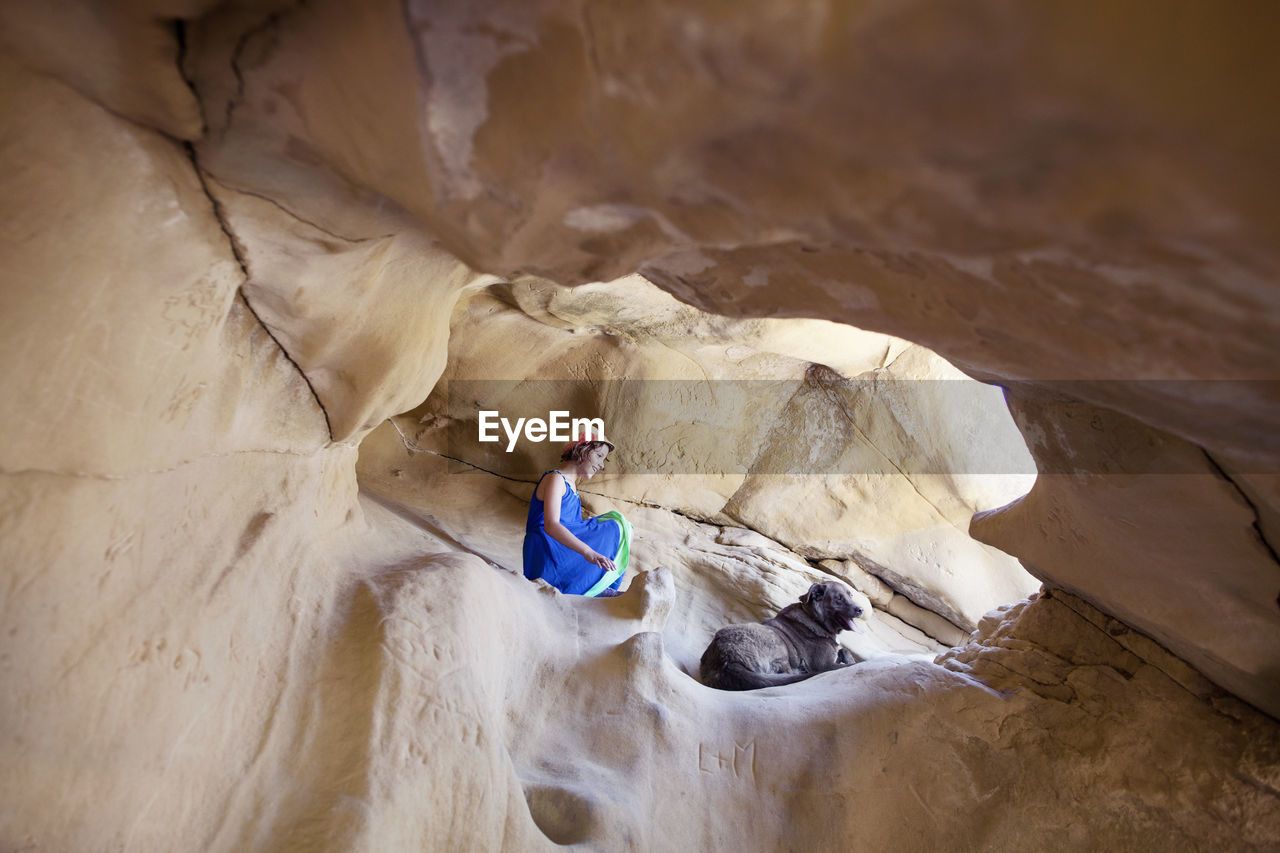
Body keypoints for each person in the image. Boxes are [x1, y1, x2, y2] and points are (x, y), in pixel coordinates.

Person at [522, 431, 632, 597]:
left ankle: (600, 585)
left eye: (604, 459)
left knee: (620, 525)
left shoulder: (572, 487)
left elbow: (574, 529)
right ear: (582, 449)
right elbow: (551, 525)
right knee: (615, 524)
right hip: (547, 551)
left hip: (559, 549)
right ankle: (593, 588)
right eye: (599, 455)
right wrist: (590, 552)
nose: (602, 465)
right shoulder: (556, 478)